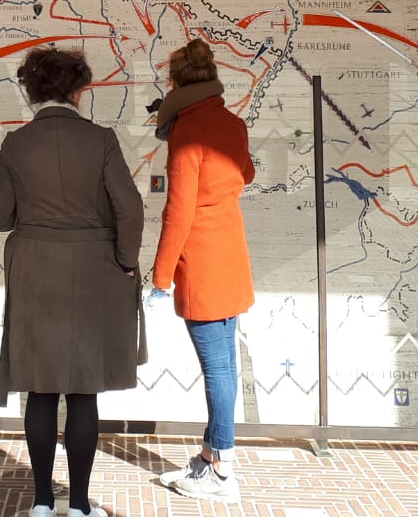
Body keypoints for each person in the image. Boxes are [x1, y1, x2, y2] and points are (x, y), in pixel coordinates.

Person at [0, 46, 145, 517]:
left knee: (40, 389)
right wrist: (125, 261)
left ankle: (40, 501)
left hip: (35, 273)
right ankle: (78, 506)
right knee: (82, 391)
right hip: (94, 272)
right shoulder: (102, 140)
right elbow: (130, 208)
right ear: (78, 92)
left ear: (33, 92)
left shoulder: (16, 144)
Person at [151, 38, 256, 503]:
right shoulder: (232, 123)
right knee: (224, 365)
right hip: (231, 254)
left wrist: (161, 276)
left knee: (217, 370)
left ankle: (222, 471)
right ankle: (209, 456)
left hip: (203, 264)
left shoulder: (187, 131)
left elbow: (178, 211)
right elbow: (246, 174)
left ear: (174, 82)